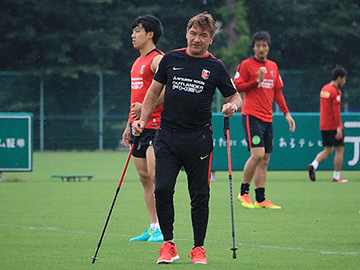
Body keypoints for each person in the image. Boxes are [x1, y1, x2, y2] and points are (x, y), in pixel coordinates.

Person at [132, 12, 242, 265]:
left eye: (204, 35)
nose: (197, 39)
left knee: (199, 195)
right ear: (186, 33)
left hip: (199, 139)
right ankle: (168, 244)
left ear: (211, 39)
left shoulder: (215, 66)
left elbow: (235, 97)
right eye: (193, 33)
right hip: (167, 137)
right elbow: (152, 94)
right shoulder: (171, 59)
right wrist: (142, 120)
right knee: (161, 188)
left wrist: (232, 107)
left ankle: (198, 248)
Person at [233, 31, 296, 210]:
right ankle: (243, 192)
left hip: (267, 118)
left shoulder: (273, 67)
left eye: (264, 45)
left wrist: (287, 114)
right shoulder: (245, 65)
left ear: (268, 47)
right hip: (251, 116)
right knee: (257, 154)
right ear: (254, 47)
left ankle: (260, 198)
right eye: (258, 45)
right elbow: (236, 86)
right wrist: (256, 80)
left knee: (265, 158)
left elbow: (278, 91)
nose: (261, 49)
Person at [122, 15, 165, 242]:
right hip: (138, 128)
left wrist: (149, 105)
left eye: (137, 30)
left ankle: (164, 229)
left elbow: (170, 88)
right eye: (133, 31)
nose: (133, 35)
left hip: (156, 127)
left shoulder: (157, 60)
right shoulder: (136, 63)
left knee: (156, 175)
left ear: (150, 34)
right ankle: (153, 226)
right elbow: (134, 99)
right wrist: (128, 124)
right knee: (143, 177)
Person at [307, 65, 348, 183]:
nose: (344, 82)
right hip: (333, 125)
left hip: (324, 125)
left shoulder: (324, 89)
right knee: (339, 150)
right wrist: (339, 127)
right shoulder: (336, 92)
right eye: (344, 79)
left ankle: (314, 165)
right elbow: (336, 111)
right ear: (339, 78)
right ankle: (336, 176)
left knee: (328, 150)